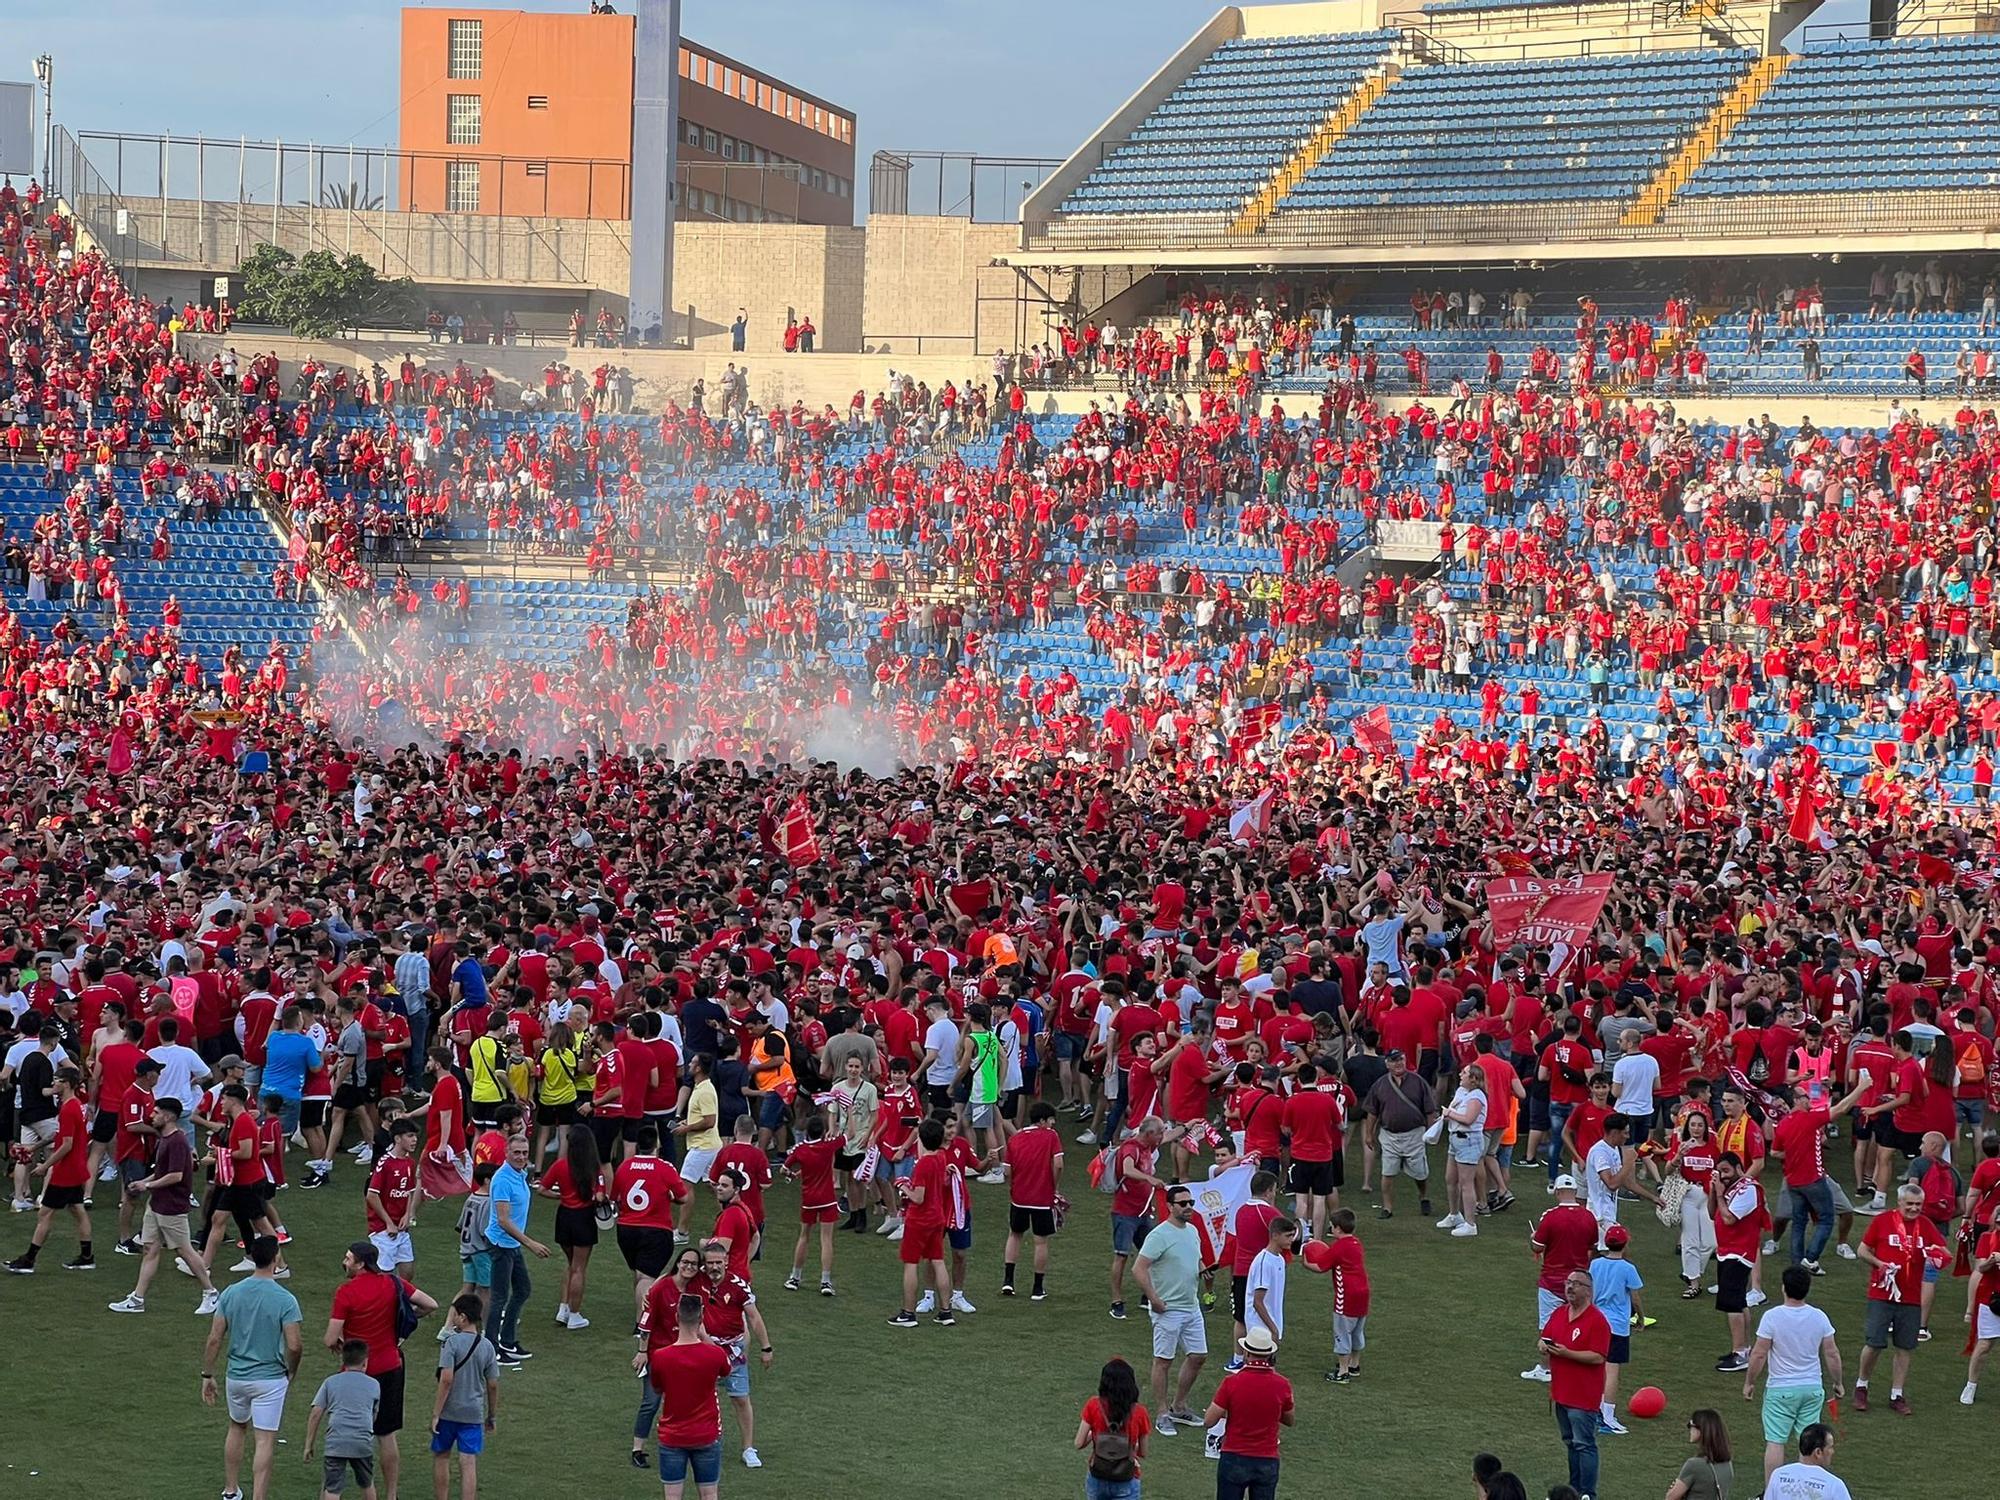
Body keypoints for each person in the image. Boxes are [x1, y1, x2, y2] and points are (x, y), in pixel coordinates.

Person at [328, 1239, 439, 1500]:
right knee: (386, 1434)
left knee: (348, 1432)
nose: (344, 1262)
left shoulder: (346, 1292)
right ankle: (391, 1495)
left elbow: (329, 1338)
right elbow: (430, 1304)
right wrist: (404, 1321)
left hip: (357, 1372)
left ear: (360, 1263)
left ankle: (337, 1491)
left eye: (348, 1258)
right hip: (391, 1365)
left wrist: (341, 1343)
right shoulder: (393, 1283)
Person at [202, 1234, 303, 1500]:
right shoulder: (285, 1299)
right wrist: (292, 1370)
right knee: (264, 1439)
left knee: (236, 1427)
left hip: (236, 1376)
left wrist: (207, 1374)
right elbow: (294, 1345)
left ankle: (231, 1490)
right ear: (275, 1258)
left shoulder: (232, 1293)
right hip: (270, 1379)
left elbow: (214, 1338)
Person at [107, 1094, 221, 1315]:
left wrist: (147, 1186)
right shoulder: (164, 1139)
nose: (152, 1115)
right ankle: (137, 1299)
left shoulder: (177, 1141)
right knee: (150, 1248)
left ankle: (211, 1293)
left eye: (156, 1112)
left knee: (185, 1250)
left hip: (171, 1205)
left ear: (168, 1116)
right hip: (157, 1203)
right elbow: (161, 1173)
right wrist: (143, 1182)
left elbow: (176, 1176)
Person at [1743, 1264, 1843, 1493]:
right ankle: (1806, 1492)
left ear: (1783, 1288)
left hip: (1781, 1390)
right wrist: (1837, 1382)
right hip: (1812, 1388)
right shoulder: (1819, 1317)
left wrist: (1750, 1382)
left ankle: (1772, 1493)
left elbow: (1759, 1353)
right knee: (1808, 1442)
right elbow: (1831, 1353)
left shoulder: (1772, 1317)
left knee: (1776, 1441)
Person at [1854, 1179, 1946, 1413]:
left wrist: (1935, 1255)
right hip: (1882, 1293)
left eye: (1918, 1204)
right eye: (1910, 1204)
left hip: (1911, 1297)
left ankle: (1897, 1394)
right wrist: (1879, 1264)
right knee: (1874, 1343)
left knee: (1905, 1346)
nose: (1914, 1209)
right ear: (1899, 1202)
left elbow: (1944, 1252)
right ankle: (1862, 1385)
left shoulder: (1925, 1225)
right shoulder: (1883, 1221)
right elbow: (1862, 1250)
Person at [1132, 1182, 1207, 1437]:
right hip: (1167, 1308)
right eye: (1183, 1204)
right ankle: (1163, 1412)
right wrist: (1153, 1298)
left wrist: (1204, 1271)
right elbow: (1139, 1268)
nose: (1188, 1208)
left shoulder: (1193, 1231)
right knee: (1163, 1361)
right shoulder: (1159, 1235)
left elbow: (1195, 1260)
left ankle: (1179, 1405)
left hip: (1191, 1305)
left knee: (1198, 1356)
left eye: (1191, 1203)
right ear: (1170, 1206)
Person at [5, 1064, 94, 1271]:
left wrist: (45, 1165)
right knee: (78, 1210)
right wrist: (35, 1146)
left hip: (66, 1171)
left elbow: (66, 1144)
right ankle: (87, 1257)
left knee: (45, 1214)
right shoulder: (73, 1105)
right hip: (76, 1169)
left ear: (67, 1084)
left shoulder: (68, 1108)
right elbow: (61, 1136)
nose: (53, 1083)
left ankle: (29, 1260)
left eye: (57, 1080)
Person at [646, 1292, 734, 1500]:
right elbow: (726, 1369)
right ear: (702, 1317)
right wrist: (705, 1336)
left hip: (672, 1436)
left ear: (677, 1316)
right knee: (709, 1494)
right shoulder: (715, 1355)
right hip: (706, 1434)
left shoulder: (660, 1357)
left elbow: (658, 1388)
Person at [1539, 1269, 1610, 1500]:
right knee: (1570, 1443)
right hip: (1561, 1393)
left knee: (1584, 1444)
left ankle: (1588, 1493)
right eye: (1568, 1282)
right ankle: (1574, 1489)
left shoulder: (1597, 1321)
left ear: (1588, 1291)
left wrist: (1568, 1353)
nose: (1570, 1287)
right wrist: (1542, 1344)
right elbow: (1546, 1336)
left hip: (1582, 1396)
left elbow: (1599, 1356)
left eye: (1576, 1284)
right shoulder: (1560, 1313)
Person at [1204, 1325, 1294, 1500]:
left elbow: (1209, 1421)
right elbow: (1289, 1419)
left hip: (1234, 1457)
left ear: (1246, 1353)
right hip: (1267, 1458)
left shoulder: (1231, 1383)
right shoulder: (1282, 1384)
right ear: (1269, 1354)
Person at [1523, 1175, 1598, 1383]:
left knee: (1548, 1324)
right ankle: (1577, 1362)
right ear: (1575, 1192)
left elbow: (1537, 1247)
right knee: (1580, 1322)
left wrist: (1532, 1238)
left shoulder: (1550, 1217)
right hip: (1580, 1280)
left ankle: (1547, 1368)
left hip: (1552, 1280)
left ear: (1557, 1192)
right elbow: (1592, 1246)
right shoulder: (1588, 1217)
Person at [483, 1132, 549, 1364]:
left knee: (522, 1290)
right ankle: (492, 1347)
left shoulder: (520, 1174)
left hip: (511, 1243)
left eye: (524, 1153)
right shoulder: (502, 1179)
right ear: (507, 1153)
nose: (521, 1157)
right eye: (516, 1153)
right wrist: (530, 1243)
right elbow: (503, 1219)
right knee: (499, 1297)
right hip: (502, 1244)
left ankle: (507, 1340)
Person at [537, 1121, 607, 1330]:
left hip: (564, 1217)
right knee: (579, 1269)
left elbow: (542, 1189)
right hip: (583, 1218)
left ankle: (563, 1308)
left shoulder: (560, 1165)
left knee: (570, 1265)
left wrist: (561, 1195)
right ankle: (575, 1315)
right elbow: (601, 1195)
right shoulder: (594, 1168)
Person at [430, 1293, 499, 1500]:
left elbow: (446, 1380)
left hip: (449, 1412)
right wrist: (491, 1415)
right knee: (468, 1463)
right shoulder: (487, 1346)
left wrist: (436, 1414)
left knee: (441, 1457)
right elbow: (493, 1384)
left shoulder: (451, 1343)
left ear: (462, 1317)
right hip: (473, 1413)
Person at [889, 1115, 955, 1328]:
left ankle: (908, 1314)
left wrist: (902, 1186)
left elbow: (918, 1197)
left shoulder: (923, 1166)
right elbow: (924, 1153)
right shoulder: (940, 1158)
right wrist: (919, 1132)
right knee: (938, 1260)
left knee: (911, 1263)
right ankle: (946, 1311)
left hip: (919, 1220)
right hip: (937, 1218)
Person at [1001, 1098, 1064, 1301]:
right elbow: (1059, 1164)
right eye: (1051, 1120)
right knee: (1040, 1242)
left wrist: (1013, 1186)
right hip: (1042, 1198)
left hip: (1019, 1197)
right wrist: (1054, 1186)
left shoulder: (1015, 1139)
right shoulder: (1051, 1136)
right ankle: (1037, 1288)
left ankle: (1008, 1281)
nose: (1053, 1124)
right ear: (1044, 1120)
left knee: (1014, 1235)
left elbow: (1007, 1171)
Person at [1362, 1048, 1435, 1219]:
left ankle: (1423, 1196)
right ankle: (1387, 1207)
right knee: (1387, 1172)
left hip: (1414, 1133)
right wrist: (1369, 1134)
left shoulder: (1418, 1081)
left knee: (1420, 1173)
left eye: (1401, 1059)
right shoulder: (1380, 1084)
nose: (1398, 1063)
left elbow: (1430, 1110)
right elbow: (1372, 1112)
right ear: (1387, 1064)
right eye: (1394, 1060)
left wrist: (1431, 1132)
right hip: (1389, 1135)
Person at [305, 1339, 381, 1500]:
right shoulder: (374, 1385)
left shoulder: (330, 1382)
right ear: (365, 1362)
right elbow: (373, 1414)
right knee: (367, 1483)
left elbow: (316, 1413)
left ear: (343, 1361)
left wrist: (309, 1444)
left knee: (332, 1488)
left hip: (336, 1441)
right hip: (362, 1441)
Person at [1587, 1224, 1643, 1433]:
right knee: (1612, 1371)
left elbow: (1590, 1291)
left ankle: (1593, 1410)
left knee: (1596, 1369)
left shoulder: (1595, 1264)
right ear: (1625, 1244)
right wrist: (1640, 1317)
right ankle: (1607, 1417)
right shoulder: (1628, 1269)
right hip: (1617, 1325)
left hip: (1596, 1322)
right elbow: (1635, 1297)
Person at [1075, 1355, 1152, 1500]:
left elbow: (1079, 1443)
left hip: (1097, 1476)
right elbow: (1143, 1452)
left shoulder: (1093, 1405)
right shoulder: (1140, 1412)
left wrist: (1095, 1434)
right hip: (1127, 1478)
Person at [1322, 1207, 1370, 1383]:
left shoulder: (1338, 1247)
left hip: (1346, 1297)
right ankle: (1354, 1364)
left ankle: (1342, 1372)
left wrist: (1306, 1261)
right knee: (1357, 1332)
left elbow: (1320, 1266)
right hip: (1363, 1295)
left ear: (1338, 1229)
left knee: (1342, 1332)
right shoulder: (1357, 1243)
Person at [1244, 1215, 1296, 1348]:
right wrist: (1273, 1329)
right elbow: (1257, 1301)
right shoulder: (1264, 1263)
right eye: (1288, 1236)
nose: (1291, 1239)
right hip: (1260, 1328)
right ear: (1275, 1235)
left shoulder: (1279, 1259)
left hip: (1271, 1325)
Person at [1765, 1423, 1850, 1500]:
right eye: (1830, 1447)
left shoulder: (1778, 1475)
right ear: (1818, 1452)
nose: (1833, 1452)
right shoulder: (1834, 1485)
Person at [1664, 1408, 1734, 1500]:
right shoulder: (1727, 1464)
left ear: (1701, 1429)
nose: (1689, 1428)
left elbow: (1670, 1498)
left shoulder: (1694, 1465)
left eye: (1691, 1424)